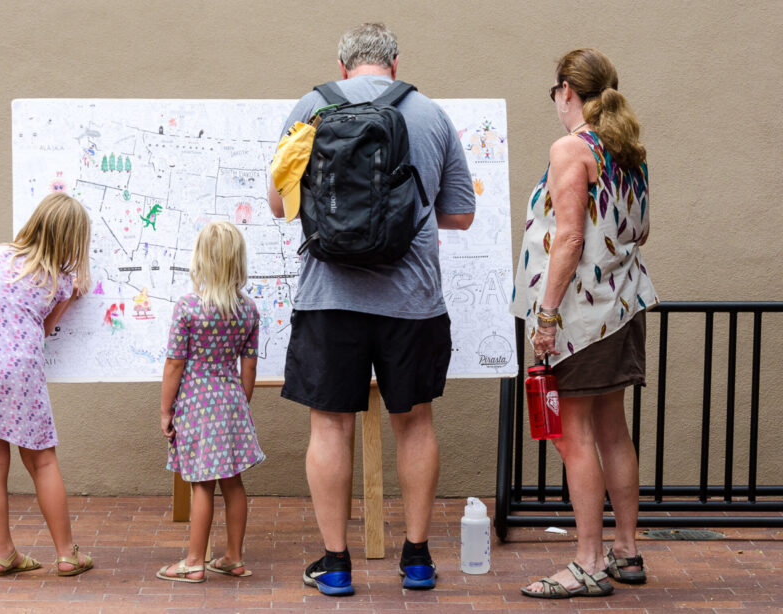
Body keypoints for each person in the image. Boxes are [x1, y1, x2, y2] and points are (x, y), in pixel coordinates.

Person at [267, 23, 476, 595]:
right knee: (413, 424)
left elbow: (277, 202)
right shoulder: (430, 114)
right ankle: (416, 558)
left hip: (329, 299)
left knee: (330, 425)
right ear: (396, 63)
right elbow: (460, 214)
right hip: (411, 302)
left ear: (342, 67)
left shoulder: (310, 108)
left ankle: (335, 564)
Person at [512, 48, 657, 599]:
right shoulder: (628, 150)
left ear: (567, 91)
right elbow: (641, 232)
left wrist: (546, 316)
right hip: (621, 309)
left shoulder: (571, 148)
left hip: (579, 318)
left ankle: (588, 561)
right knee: (612, 430)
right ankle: (626, 549)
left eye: (556, 92)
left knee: (574, 437)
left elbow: (569, 237)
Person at [0, 192, 94, 577]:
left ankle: (3, 553)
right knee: (42, 461)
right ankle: (67, 554)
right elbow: (41, 331)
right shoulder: (60, 282)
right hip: (19, 371)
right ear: (72, 241)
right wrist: (69, 297)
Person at [156, 220, 265, 583]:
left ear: (201, 260)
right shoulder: (248, 310)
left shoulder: (187, 309)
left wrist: (165, 410)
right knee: (232, 481)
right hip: (231, 399)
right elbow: (248, 366)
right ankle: (233, 556)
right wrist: (240, 406)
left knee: (201, 483)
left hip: (197, 402)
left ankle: (193, 562)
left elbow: (175, 364)